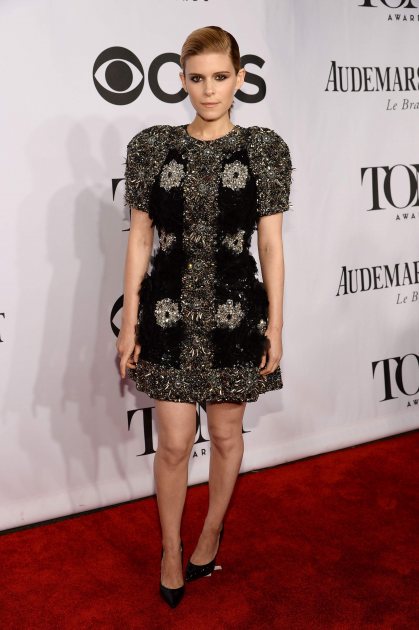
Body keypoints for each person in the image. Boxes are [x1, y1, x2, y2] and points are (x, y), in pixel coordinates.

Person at [116, 25, 293, 608]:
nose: (209, 90)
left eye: (221, 77)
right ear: (182, 81)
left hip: (235, 315)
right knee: (172, 443)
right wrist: (130, 319)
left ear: (241, 79)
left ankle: (212, 528)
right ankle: (171, 547)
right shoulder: (151, 146)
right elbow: (140, 240)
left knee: (224, 435)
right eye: (197, 78)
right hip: (166, 318)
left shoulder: (264, 149)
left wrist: (276, 323)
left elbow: (270, 247)